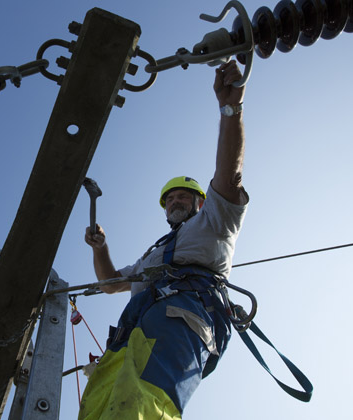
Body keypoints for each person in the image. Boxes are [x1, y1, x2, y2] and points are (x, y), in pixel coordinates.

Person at [78, 60, 249, 420]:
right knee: (95, 409)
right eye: (170, 199)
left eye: (183, 196)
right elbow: (111, 284)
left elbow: (228, 176)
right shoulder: (153, 255)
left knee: (142, 407)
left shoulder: (215, 222)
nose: (175, 201)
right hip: (129, 332)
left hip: (182, 317)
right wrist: (101, 249)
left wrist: (230, 108)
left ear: (200, 202)